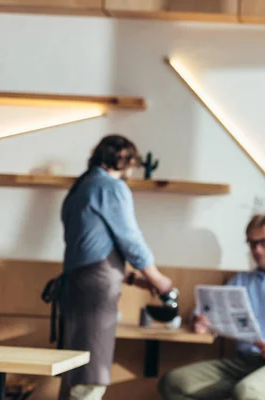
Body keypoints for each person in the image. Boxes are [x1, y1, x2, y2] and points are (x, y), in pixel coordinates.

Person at [58, 134, 174, 400]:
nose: (131, 170)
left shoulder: (79, 188)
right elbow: (130, 240)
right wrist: (157, 278)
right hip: (96, 293)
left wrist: (136, 280)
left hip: (76, 287)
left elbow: (91, 251)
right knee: (91, 376)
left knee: (74, 369)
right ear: (123, 157)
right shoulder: (111, 187)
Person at [158, 213, 265, 400]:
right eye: (252, 244)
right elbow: (206, 308)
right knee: (173, 382)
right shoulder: (242, 280)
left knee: (247, 391)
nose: (257, 250)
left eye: (264, 243)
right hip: (243, 363)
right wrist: (200, 320)